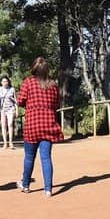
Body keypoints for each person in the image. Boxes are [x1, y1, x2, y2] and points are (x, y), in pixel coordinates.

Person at [17, 57, 64, 197]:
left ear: (34, 69)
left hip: (32, 125)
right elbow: (56, 104)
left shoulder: (28, 82)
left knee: (29, 157)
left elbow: (20, 101)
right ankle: (48, 189)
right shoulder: (53, 85)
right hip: (48, 124)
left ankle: (25, 185)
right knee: (46, 158)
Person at [0, 76, 17, 149]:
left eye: (6, 81)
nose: (5, 83)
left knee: (10, 124)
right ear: (1, 83)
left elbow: (15, 101)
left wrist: (16, 110)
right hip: (2, 109)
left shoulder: (12, 89)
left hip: (10, 108)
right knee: (3, 126)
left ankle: (11, 142)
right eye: (4, 81)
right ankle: (5, 142)